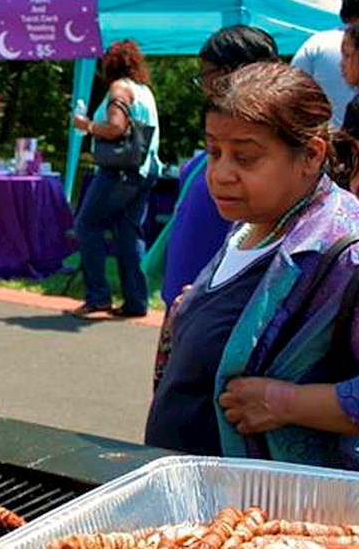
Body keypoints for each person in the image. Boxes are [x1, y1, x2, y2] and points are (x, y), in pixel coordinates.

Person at [146, 62, 359, 468]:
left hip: (264, 518)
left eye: (245, 157)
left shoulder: (344, 255)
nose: (221, 173)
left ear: (311, 155)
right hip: (190, 501)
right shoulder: (251, 224)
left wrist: (289, 403)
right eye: (214, 151)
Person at [162, 26, 281, 310]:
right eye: (215, 150)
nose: (203, 86)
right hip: (187, 300)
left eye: (205, 75)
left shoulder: (274, 142)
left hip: (219, 306)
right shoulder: (222, 133)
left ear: (227, 74)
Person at [70, 39, 161, 319]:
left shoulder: (119, 89)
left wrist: (86, 126)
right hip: (145, 170)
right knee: (128, 233)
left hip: (118, 171)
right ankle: (136, 301)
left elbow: (115, 127)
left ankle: (98, 296)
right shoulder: (144, 91)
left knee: (87, 225)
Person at [291, 0, 359, 128]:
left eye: (346, 56)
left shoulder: (318, 42)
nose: (342, 63)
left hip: (328, 139)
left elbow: (291, 92)